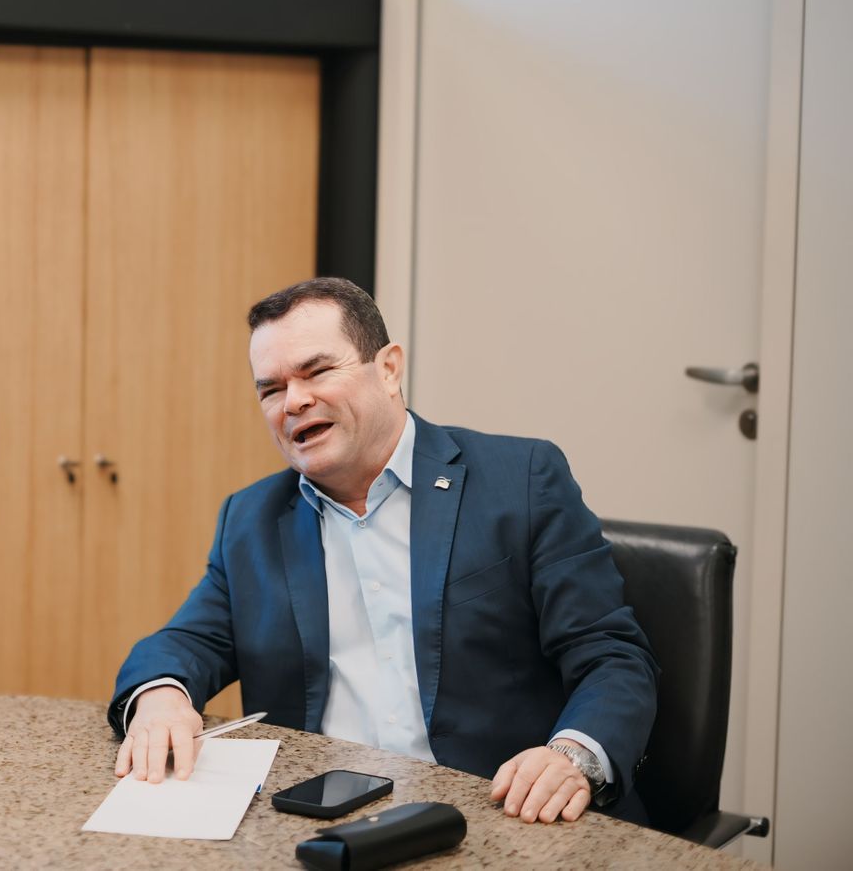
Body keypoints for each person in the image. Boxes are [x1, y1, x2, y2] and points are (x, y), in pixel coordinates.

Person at [109, 277, 657, 825]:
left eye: (318, 371)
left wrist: (570, 757)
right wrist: (161, 697)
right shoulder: (251, 519)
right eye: (271, 389)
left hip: (499, 812)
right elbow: (187, 641)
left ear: (389, 369)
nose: (294, 401)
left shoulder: (522, 481)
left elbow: (612, 656)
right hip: (320, 819)